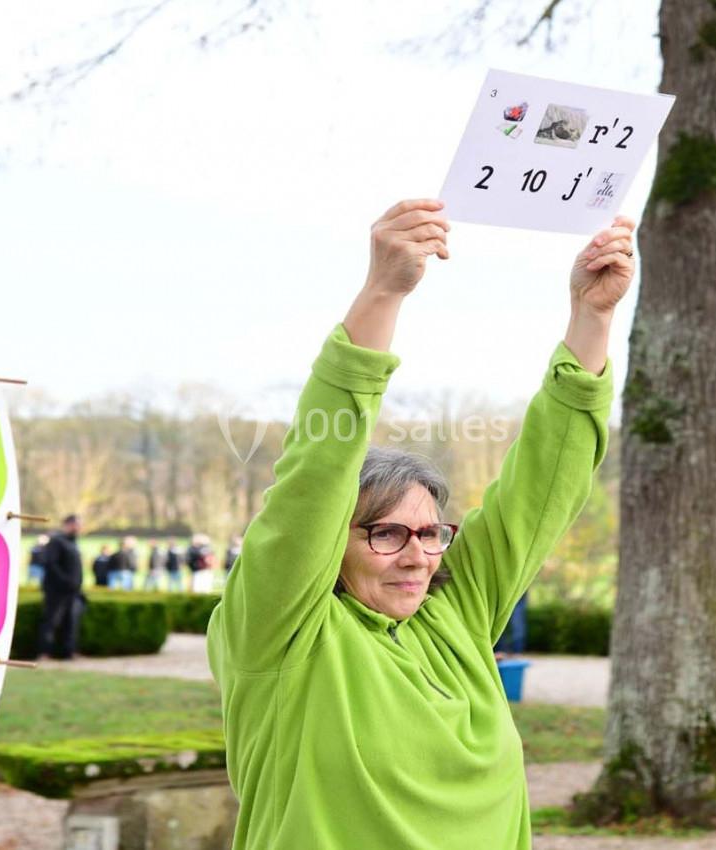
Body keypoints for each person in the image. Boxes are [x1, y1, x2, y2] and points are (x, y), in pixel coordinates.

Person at [206, 198, 629, 848]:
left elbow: (545, 485)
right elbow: (315, 476)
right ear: (330, 545)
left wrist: (592, 318)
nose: (417, 556)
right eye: (386, 533)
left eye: (430, 532)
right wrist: (382, 292)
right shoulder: (282, 632)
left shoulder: (454, 613)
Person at [38, 514, 84, 660]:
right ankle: (45, 652)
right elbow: (51, 564)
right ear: (68, 524)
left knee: (70, 622)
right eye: (76, 524)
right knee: (52, 621)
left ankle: (68, 651)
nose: (79, 527)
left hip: (72, 592)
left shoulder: (73, 543)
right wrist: (65, 581)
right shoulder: (57, 541)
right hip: (57, 591)